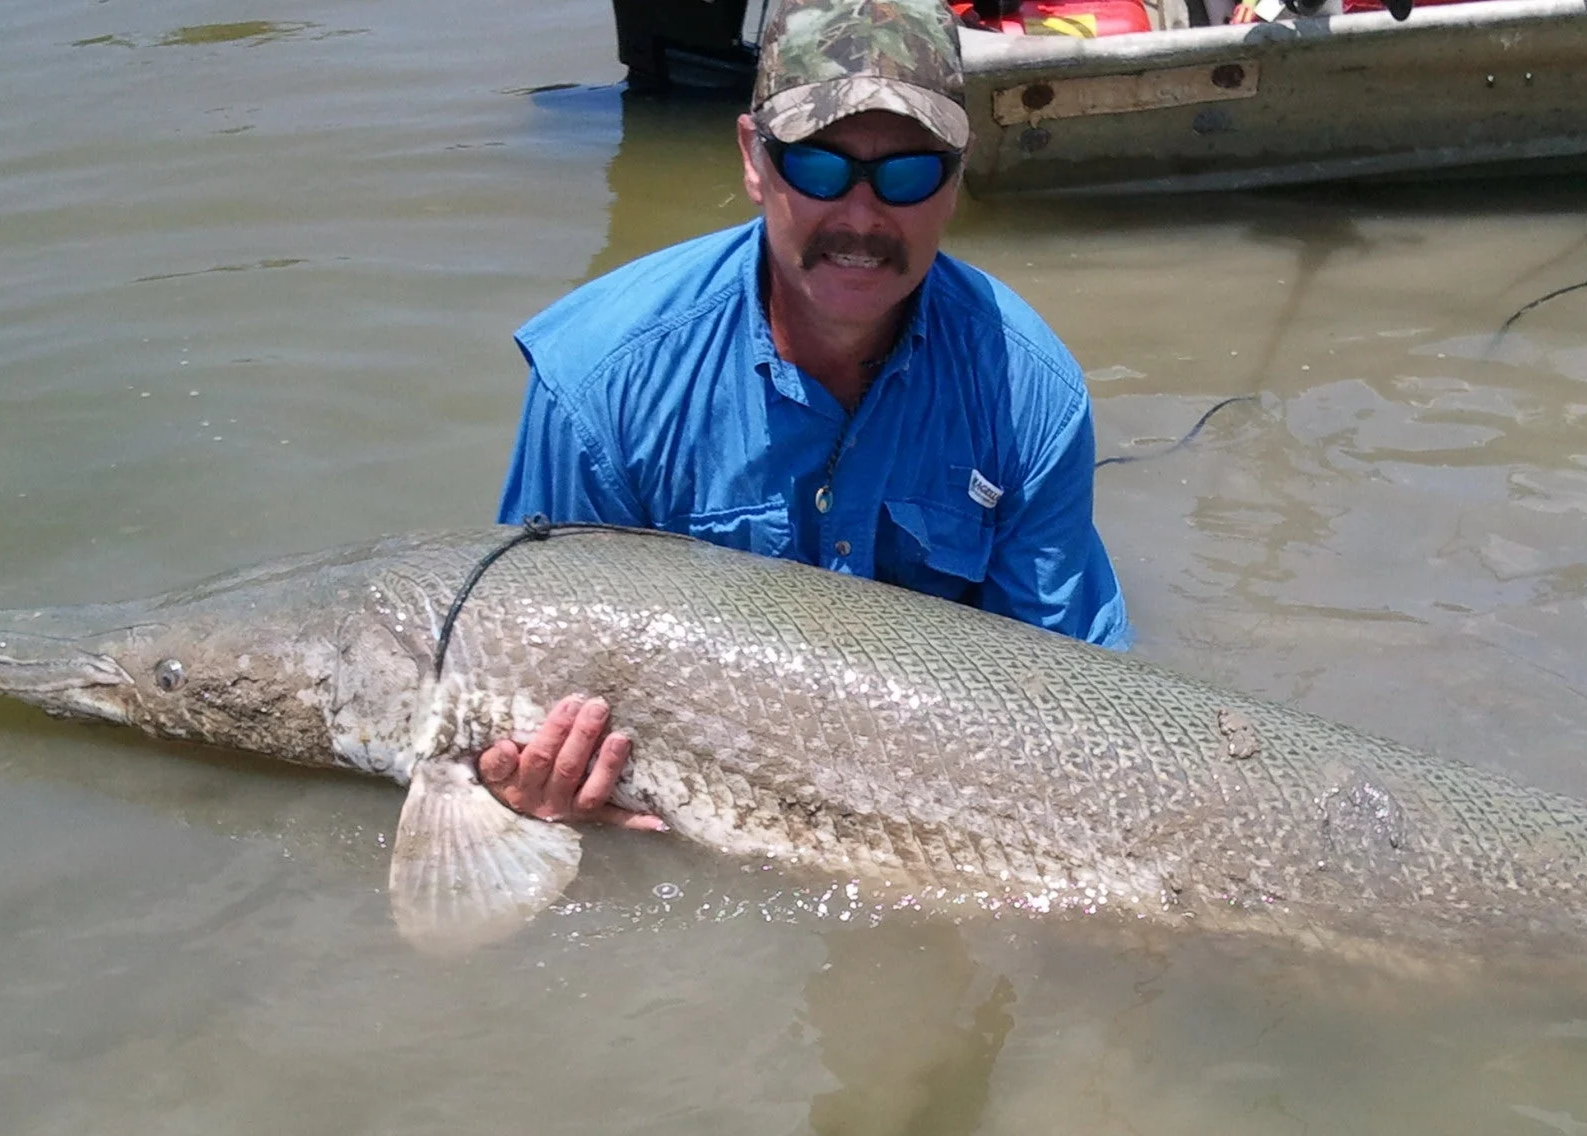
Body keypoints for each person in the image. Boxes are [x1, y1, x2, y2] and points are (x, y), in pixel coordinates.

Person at [480, 0, 1130, 829]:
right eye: (819, 169)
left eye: (908, 174)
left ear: (957, 180)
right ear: (755, 158)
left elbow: (1074, 705)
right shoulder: (598, 385)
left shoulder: (1033, 393)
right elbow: (526, 680)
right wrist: (533, 787)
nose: (861, 218)